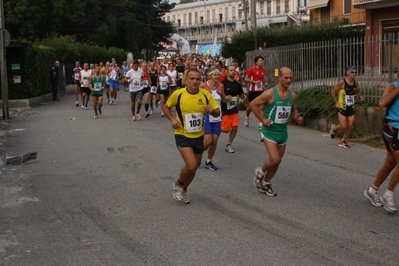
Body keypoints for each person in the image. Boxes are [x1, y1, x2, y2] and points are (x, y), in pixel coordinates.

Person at [162, 68, 220, 204]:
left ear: (200, 80)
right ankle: (178, 183)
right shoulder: (179, 94)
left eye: (197, 79)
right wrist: (172, 119)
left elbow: (217, 112)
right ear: (186, 80)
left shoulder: (206, 95)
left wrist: (212, 111)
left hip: (198, 136)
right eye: (192, 79)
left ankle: (183, 188)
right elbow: (165, 107)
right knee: (192, 165)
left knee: (193, 168)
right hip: (182, 134)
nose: (194, 81)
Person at [251, 67, 303, 196]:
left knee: (278, 160)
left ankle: (266, 183)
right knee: (274, 159)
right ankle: (260, 172)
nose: (289, 80)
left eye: (291, 77)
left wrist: (297, 117)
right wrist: (262, 119)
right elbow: (253, 104)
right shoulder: (270, 93)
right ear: (279, 78)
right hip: (269, 131)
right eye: (286, 77)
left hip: (282, 132)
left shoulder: (293, 95)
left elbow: (293, 110)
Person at [364, 81, 399, 212]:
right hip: (392, 129)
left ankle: (372, 190)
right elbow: (381, 103)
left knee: (390, 164)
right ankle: (388, 195)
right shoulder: (393, 86)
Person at [330, 66, 365, 148]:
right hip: (342, 107)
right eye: (352, 72)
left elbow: (358, 90)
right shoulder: (342, 82)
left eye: (355, 72)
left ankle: (342, 141)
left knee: (351, 126)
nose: (354, 74)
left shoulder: (355, 83)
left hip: (351, 107)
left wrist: (361, 96)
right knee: (343, 126)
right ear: (347, 73)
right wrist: (336, 103)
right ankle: (334, 128)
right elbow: (333, 91)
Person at [200, 66, 226, 170]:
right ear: (209, 75)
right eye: (215, 74)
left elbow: (223, 99)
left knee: (214, 141)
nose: (217, 76)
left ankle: (208, 161)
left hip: (218, 117)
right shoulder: (203, 86)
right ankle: (197, 155)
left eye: (218, 74)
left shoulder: (221, 86)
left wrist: (227, 99)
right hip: (206, 118)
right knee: (208, 142)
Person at [221, 65, 246, 153]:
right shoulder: (223, 84)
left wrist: (243, 96)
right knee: (225, 129)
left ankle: (229, 144)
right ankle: (215, 128)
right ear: (227, 72)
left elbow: (241, 94)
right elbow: (219, 96)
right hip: (225, 109)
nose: (233, 71)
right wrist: (225, 98)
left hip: (234, 109)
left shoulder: (237, 85)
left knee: (235, 127)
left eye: (234, 70)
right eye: (231, 70)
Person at [244, 56, 268, 129]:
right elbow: (246, 79)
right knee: (250, 107)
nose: (261, 62)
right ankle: (247, 117)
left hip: (261, 91)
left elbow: (262, 79)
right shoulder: (252, 69)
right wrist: (254, 82)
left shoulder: (263, 70)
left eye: (262, 60)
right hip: (253, 90)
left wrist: (265, 83)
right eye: (260, 60)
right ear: (256, 62)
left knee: (261, 107)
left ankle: (260, 123)